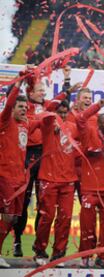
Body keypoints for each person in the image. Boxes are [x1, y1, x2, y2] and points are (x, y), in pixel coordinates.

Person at [76, 99, 104, 268]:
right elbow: (80, 119)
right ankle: (85, 256)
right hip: (91, 189)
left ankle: (101, 257)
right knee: (87, 225)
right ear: (99, 123)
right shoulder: (89, 133)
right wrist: (97, 106)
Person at [32, 100, 79, 266]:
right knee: (47, 217)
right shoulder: (47, 124)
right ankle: (40, 250)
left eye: (65, 112)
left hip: (68, 180)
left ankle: (59, 253)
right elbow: (47, 111)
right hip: (48, 178)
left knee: (65, 218)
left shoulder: (73, 127)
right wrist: (54, 115)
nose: (63, 115)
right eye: (60, 112)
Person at [0, 81, 28, 268]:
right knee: (7, 217)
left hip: (20, 178)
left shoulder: (25, 124)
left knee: (14, 219)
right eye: (21, 107)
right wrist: (18, 83)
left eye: (26, 107)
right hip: (5, 176)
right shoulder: (5, 120)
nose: (24, 110)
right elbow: (9, 103)